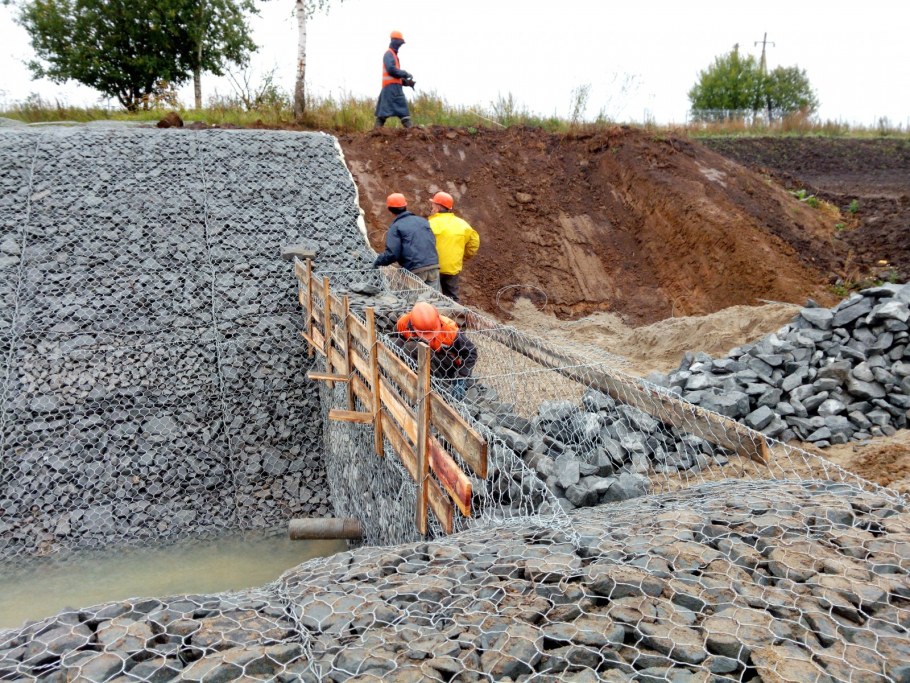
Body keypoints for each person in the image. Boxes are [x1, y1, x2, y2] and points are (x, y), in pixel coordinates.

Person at [395, 302, 477, 399]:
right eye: (425, 334)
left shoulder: (449, 330)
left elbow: (471, 351)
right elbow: (397, 340)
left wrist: (461, 377)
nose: (429, 338)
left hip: (445, 363)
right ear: (412, 325)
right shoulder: (403, 323)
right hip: (420, 358)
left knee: (412, 347)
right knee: (401, 344)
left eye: (431, 333)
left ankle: (436, 385)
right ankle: (409, 378)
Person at [373, 193, 440, 290]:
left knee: (417, 300)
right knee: (434, 300)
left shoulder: (396, 227)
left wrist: (378, 261)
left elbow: (392, 254)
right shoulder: (422, 221)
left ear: (389, 209)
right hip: (433, 265)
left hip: (416, 270)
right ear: (405, 205)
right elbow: (432, 241)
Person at [428, 191, 480, 302]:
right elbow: (474, 243)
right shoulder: (463, 225)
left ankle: (433, 317)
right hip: (452, 268)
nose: (431, 207)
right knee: (452, 299)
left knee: (431, 298)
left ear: (437, 207)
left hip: (433, 268)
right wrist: (462, 257)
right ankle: (455, 317)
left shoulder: (430, 224)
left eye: (433, 204)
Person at [375, 30, 415, 129]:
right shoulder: (389, 54)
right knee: (403, 111)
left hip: (391, 88)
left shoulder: (393, 55)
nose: (400, 46)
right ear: (394, 41)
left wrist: (406, 83)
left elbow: (395, 76)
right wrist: (405, 73)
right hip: (391, 89)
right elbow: (391, 70)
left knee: (383, 114)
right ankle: (412, 131)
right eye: (399, 43)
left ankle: (376, 132)